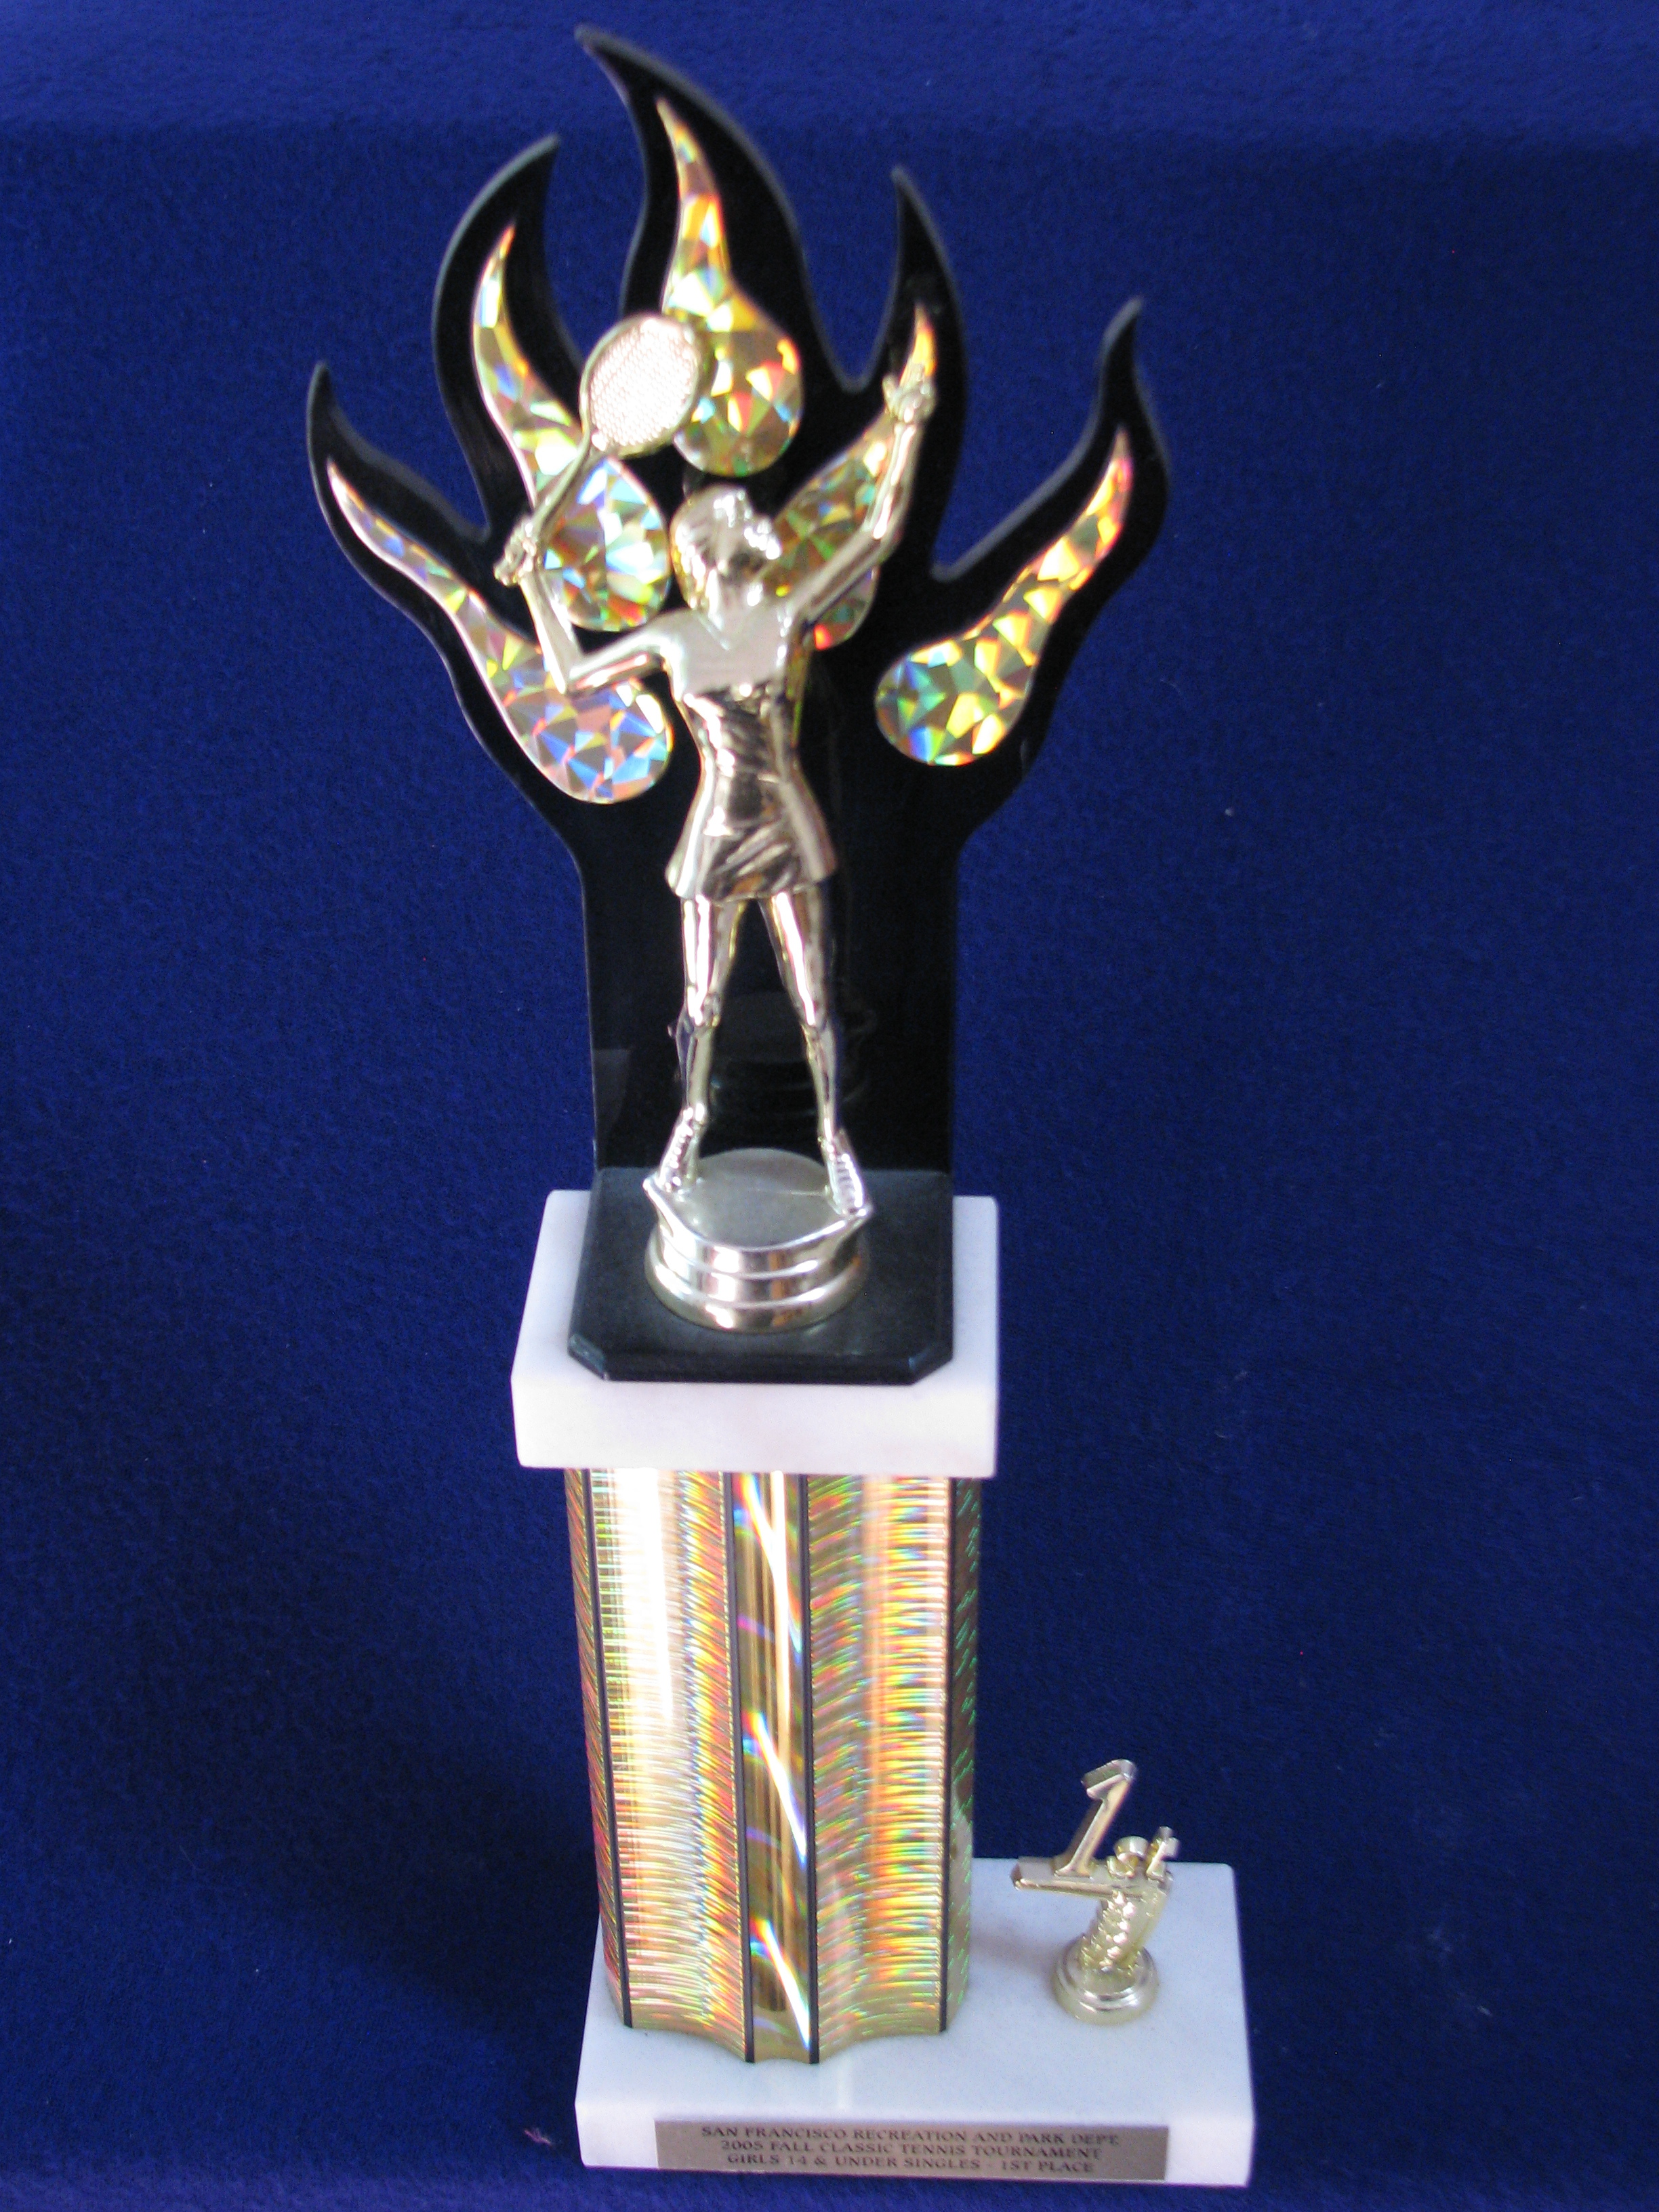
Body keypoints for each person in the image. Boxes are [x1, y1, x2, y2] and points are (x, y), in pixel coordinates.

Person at [508, 312, 936, 1218]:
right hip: (714, 830)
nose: (759, 517)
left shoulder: (787, 617)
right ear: (708, 550)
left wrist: (906, 427)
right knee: (701, 1002)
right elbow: (572, 677)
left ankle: (835, 1142)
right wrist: (538, 582)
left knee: (814, 1000)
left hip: (789, 821)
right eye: (741, 513)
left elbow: (879, 533)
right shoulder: (674, 637)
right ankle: (689, 1127)